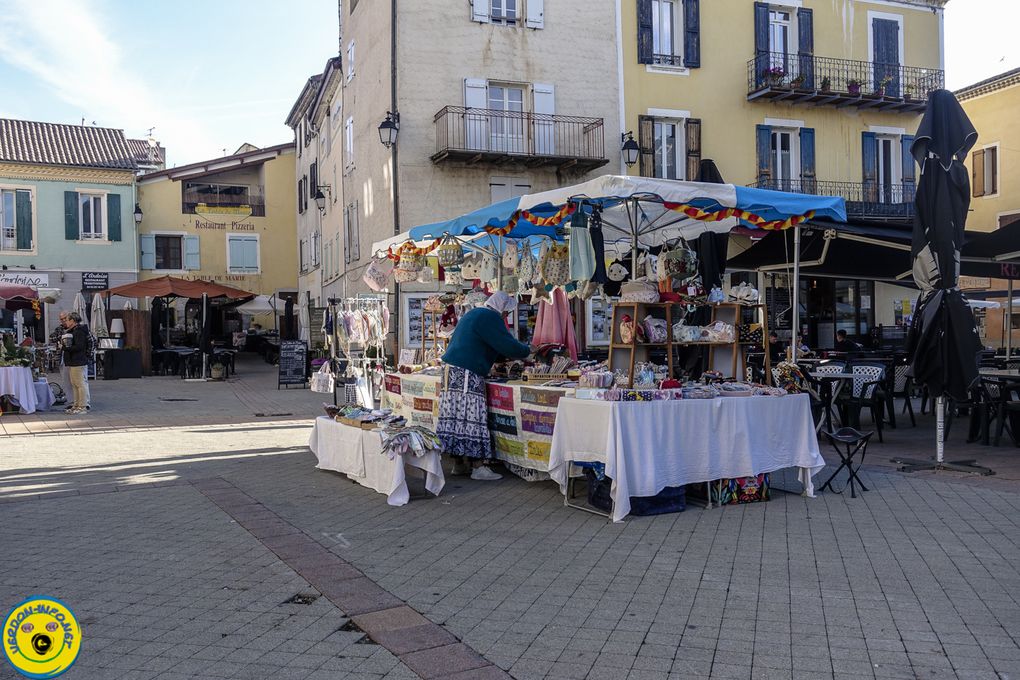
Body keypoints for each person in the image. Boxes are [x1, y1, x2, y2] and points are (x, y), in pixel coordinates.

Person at [436, 291, 530, 481]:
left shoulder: (475, 313)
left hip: (451, 371)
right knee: (472, 417)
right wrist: (527, 351)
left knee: (454, 417)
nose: (506, 316)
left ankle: (459, 464)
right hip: (466, 372)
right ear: (501, 308)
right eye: (506, 312)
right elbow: (506, 344)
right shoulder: (489, 317)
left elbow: (490, 344)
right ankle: (478, 467)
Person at [61, 312, 91, 414]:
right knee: (74, 384)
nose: (66, 322)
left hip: (78, 361)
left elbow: (80, 346)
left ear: (73, 321)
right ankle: (76, 405)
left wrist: (65, 348)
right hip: (73, 361)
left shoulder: (79, 331)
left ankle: (82, 406)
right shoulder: (73, 331)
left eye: (68, 320)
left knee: (80, 384)